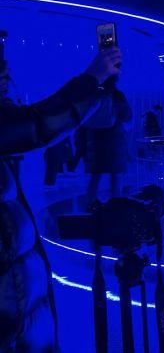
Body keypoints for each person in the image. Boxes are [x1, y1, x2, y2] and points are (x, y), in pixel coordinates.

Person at [0, 48, 121, 352]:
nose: (7, 74)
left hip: (18, 302)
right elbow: (39, 124)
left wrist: (99, 85)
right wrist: (92, 78)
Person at [85, 75, 132, 204]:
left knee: (95, 177)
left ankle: (90, 205)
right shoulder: (118, 96)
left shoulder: (95, 95)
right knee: (116, 177)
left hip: (97, 140)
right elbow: (128, 116)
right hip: (115, 140)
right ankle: (115, 207)